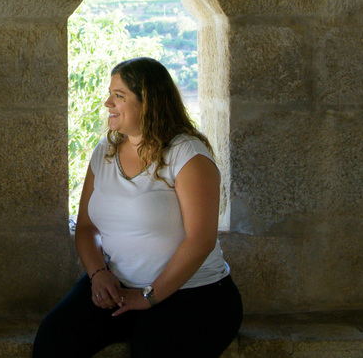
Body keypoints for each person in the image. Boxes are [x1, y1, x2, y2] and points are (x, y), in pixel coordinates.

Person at [33, 57, 242, 358]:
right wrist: (98, 274)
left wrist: (149, 296)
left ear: (150, 103)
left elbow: (201, 241)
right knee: (53, 340)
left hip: (194, 294)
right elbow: (88, 227)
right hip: (118, 287)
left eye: (119, 96)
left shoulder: (187, 156)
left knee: (152, 349)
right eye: (110, 93)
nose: (108, 103)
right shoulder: (103, 153)